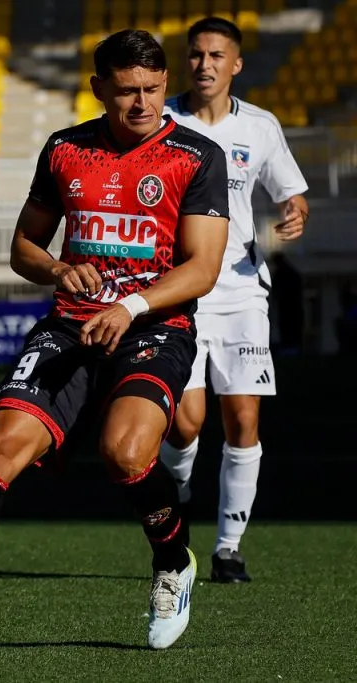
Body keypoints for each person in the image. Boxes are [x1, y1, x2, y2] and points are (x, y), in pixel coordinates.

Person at [0, 29, 229, 661]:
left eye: (150, 89)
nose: (140, 103)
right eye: (124, 92)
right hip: (70, 325)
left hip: (153, 327)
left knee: (125, 451)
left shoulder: (196, 156)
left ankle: (173, 562)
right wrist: (59, 270)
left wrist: (131, 304)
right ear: (97, 90)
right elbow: (23, 247)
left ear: (164, 85)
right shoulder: (65, 149)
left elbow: (202, 268)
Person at [162, 17, 309, 583]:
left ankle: (227, 550)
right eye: (196, 54)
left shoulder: (262, 127)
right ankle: (174, 510)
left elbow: (291, 195)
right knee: (184, 424)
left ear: (236, 64)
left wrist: (294, 214)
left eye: (217, 55)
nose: (205, 64)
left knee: (243, 419)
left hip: (243, 291)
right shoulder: (162, 122)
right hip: (178, 292)